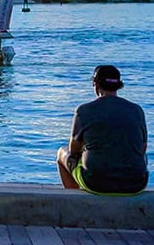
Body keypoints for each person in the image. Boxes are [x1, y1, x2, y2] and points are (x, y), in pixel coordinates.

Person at [57, 65, 148, 194]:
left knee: (62, 153)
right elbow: (142, 148)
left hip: (95, 183)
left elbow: (73, 150)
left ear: (95, 84)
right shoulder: (137, 110)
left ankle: (74, 200)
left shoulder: (84, 110)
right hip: (136, 183)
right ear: (119, 85)